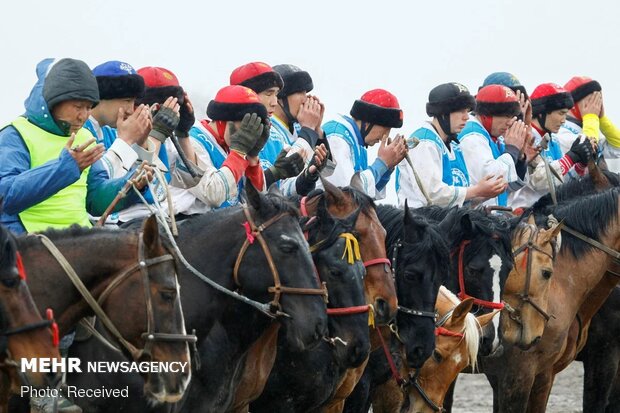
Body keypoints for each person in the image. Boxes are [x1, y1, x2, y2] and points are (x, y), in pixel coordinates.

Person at [0, 58, 144, 235]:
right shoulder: (15, 134)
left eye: (89, 107)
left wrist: (129, 186)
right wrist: (64, 168)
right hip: (31, 241)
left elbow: (95, 199)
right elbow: (5, 197)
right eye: (78, 106)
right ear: (53, 100)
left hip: (78, 240)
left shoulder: (85, 135)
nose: (83, 116)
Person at [396, 82, 506, 208]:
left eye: (468, 111)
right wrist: (476, 190)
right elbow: (432, 195)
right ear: (442, 112)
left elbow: (458, 201)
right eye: (460, 111)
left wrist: (487, 193)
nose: (466, 117)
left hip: (443, 223)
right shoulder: (424, 143)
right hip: (418, 223)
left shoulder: (454, 145)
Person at [230, 61, 327, 195]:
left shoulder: (299, 127)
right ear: (282, 99)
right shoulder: (263, 130)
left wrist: (317, 130)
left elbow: (328, 173)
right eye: (299, 92)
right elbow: (266, 188)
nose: (306, 99)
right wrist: (308, 129)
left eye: (307, 92)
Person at [173, 85, 268, 213]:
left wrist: (252, 158)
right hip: (189, 224)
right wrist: (239, 152)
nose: (250, 134)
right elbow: (212, 195)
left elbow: (256, 204)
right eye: (246, 125)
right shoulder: (193, 141)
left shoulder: (232, 146)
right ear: (223, 121)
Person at [509, 83, 593, 207]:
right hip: (522, 214)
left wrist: (580, 165)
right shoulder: (527, 137)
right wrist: (571, 157)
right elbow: (539, 181)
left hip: (546, 211)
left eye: (566, 114)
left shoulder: (553, 140)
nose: (564, 120)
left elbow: (559, 183)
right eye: (561, 113)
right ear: (543, 112)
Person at [323, 88, 407, 199]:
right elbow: (346, 193)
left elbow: (366, 195)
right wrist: (382, 163)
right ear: (367, 122)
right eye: (386, 128)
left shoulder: (358, 143)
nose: (385, 136)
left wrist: (387, 167)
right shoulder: (336, 138)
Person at [457, 84, 529, 207]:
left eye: (512, 116)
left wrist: (520, 157)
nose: (510, 122)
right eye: (506, 115)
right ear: (487, 113)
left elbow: (507, 187)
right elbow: (491, 181)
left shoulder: (493, 137)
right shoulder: (472, 136)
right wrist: (511, 151)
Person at [558, 76, 620, 172]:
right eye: (591, 101)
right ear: (572, 106)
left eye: (598, 100)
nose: (596, 106)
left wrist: (603, 120)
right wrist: (590, 117)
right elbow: (587, 151)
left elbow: (617, 148)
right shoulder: (561, 132)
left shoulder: (589, 126)